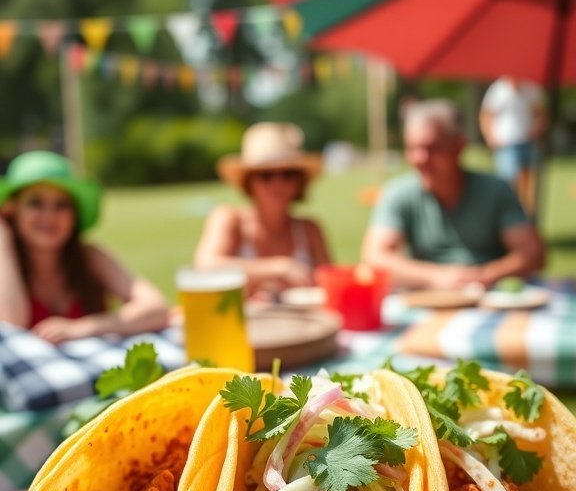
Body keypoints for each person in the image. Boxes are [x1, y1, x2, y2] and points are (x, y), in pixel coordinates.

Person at [361, 99, 544, 291]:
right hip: (428, 300)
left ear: (459, 146)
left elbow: (532, 253)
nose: (419, 159)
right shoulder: (399, 193)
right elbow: (375, 256)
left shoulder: (495, 190)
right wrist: (436, 277)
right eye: (412, 148)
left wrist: (485, 276)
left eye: (432, 148)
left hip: (491, 297)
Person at [0, 150, 169, 344]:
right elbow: (11, 327)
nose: (49, 216)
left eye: (61, 204)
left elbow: (156, 306)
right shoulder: (5, 263)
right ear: (12, 210)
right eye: (36, 203)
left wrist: (83, 327)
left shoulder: (89, 256)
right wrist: (3, 236)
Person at [194, 122, 331, 299]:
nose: (278, 184)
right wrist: (279, 268)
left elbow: (329, 284)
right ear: (249, 181)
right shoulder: (229, 218)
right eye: (266, 175)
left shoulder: (310, 230)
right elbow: (204, 265)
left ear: (300, 181)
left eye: (288, 174)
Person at [479, 77, 548, 215]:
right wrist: (490, 137)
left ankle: (526, 215)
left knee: (528, 182)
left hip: (527, 141)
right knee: (509, 180)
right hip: (506, 143)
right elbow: (486, 115)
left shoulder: (531, 88)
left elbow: (540, 113)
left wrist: (537, 129)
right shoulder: (498, 89)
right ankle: (508, 214)